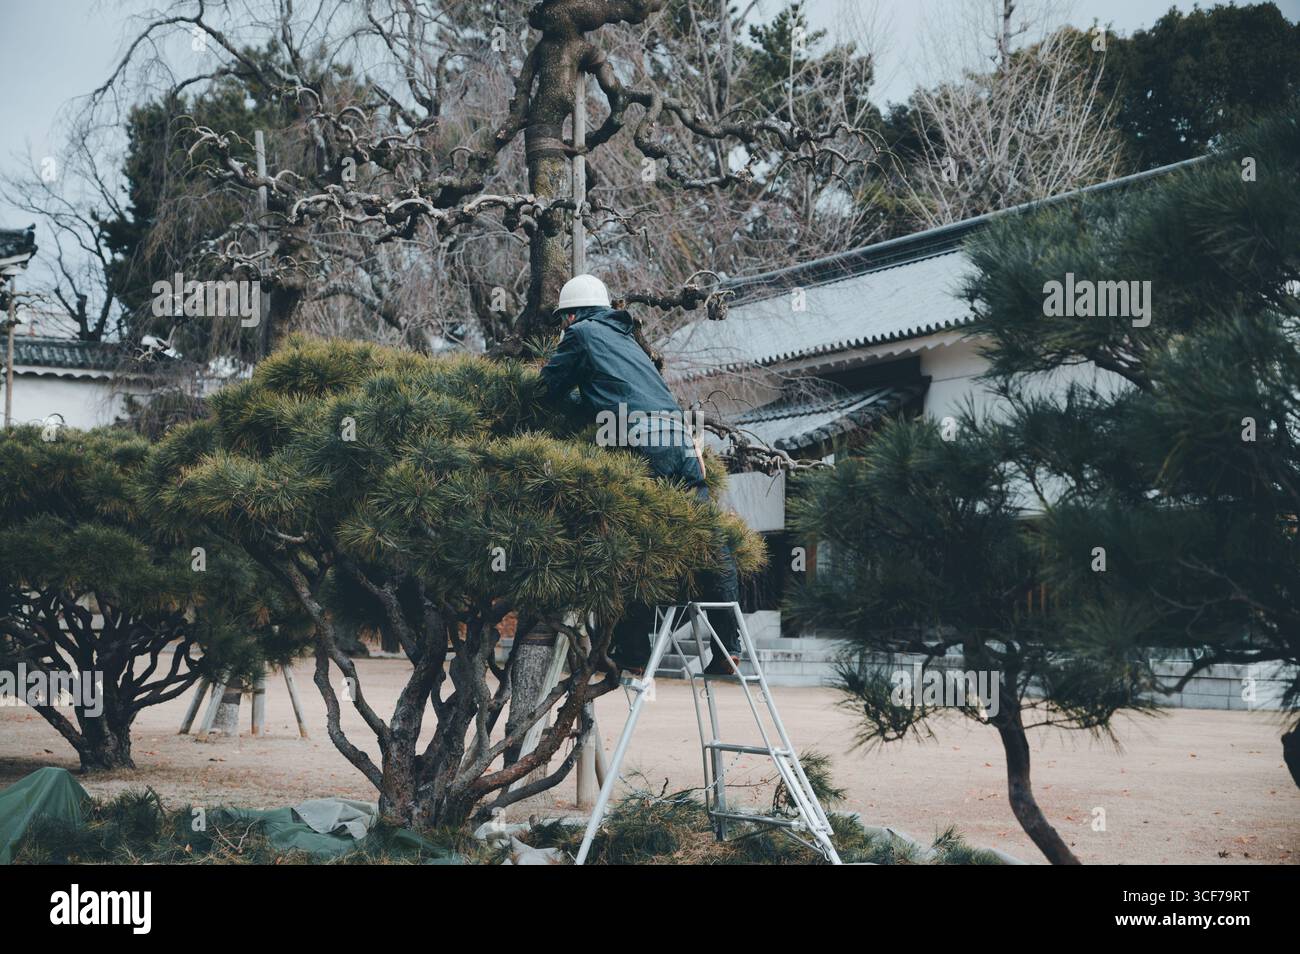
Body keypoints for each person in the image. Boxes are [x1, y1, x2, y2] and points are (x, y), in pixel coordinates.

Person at [540, 273, 740, 674]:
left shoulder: (579, 336)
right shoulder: (628, 342)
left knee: (626, 545)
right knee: (709, 539)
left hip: (637, 440)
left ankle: (632, 650)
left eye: (564, 319)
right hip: (682, 442)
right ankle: (728, 647)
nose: (564, 326)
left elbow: (546, 391)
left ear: (571, 315)